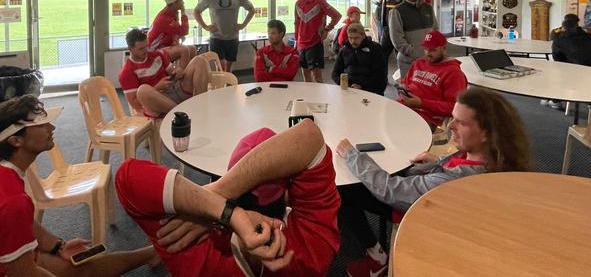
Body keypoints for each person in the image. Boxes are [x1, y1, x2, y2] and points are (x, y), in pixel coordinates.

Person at [335, 87, 531, 277]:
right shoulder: (495, 161)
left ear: (487, 133)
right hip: (426, 193)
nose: (451, 125)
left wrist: (352, 155)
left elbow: (391, 191)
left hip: (412, 211)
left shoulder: (458, 179)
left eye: (461, 122)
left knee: (347, 191)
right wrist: (438, 162)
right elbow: (451, 169)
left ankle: (377, 258)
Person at [115, 119, 341, 277]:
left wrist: (213, 204)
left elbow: (128, 178)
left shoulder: (187, 236)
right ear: (288, 193)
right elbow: (309, 136)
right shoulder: (311, 254)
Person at [0, 95, 158, 277]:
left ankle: (151, 253)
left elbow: (23, 222)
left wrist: (59, 247)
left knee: (79, 269)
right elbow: (24, 274)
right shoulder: (13, 201)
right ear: (15, 141)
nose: (52, 128)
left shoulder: (8, 178)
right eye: (41, 125)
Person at [119, 28, 208, 118]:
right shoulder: (127, 71)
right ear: (130, 49)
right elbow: (135, 104)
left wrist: (178, 72)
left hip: (175, 89)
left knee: (199, 60)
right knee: (142, 90)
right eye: (141, 49)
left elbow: (172, 71)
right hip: (159, 101)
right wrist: (157, 87)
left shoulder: (157, 55)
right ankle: (180, 114)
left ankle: (199, 104)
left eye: (146, 46)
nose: (146, 50)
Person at [399, 31, 467, 128]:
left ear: (443, 48)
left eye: (433, 50)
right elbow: (405, 83)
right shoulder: (418, 63)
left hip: (427, 118)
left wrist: (421, 103)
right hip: (404, 107)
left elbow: (454, 107)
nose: (427, 53)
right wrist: (402, 88)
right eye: (426, 49)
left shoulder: (454, 73)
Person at [194, 0, 255, 72]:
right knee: (220, 66)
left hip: (232, 37)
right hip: (216, 37)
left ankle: (227, 83)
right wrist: (205, 26)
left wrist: (243, 25)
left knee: (228, 67)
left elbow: (252, 10)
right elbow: (196, 11)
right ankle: (222, 83)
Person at [293, 0, 342, 83]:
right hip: (301, 44)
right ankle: (309, 98)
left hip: (314, 43)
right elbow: (296, 23)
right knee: (306, 76)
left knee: (317, 77)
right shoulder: (297, 3)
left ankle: (320, 98)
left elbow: (337, 15)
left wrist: (327, 29)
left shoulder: (320, 2)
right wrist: (296, 41)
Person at [389, 0, 439, 78]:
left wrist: (435, 50)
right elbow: (396, 38)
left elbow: (435, 30)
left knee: (428, 89)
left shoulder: (428, 8)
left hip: (429, 58)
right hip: (409, 60)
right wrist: (412, 52)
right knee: (410, 90)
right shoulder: (397, 11)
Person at [331, 23, 387, 96]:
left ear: (363, 36)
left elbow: (380, 74)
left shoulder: (375, 49)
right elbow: (335, 73)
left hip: (371, 88)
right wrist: (344, 83)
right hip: (349, 88)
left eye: (356, 38)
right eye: (350, 38)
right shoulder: (344, 50)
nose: (353, 41)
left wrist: (362, 86)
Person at [147, 0, 197, 69]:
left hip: (162, 47)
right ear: (174, 3)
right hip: (153, 51)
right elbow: (184, 31)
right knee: (184, 50)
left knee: (192, 49)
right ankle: (184, 79)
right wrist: (183, 12)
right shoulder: (164, 18)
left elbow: (178, 34)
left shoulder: (171, 14)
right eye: (181, 1)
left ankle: (191, 74)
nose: (183, 3)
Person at [376, 0, 403, 67]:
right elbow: (381, 7)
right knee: (383, 54)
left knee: (401, 55)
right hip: (387, 28)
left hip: (399, 29)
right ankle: (383, 78)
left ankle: (402, 77)